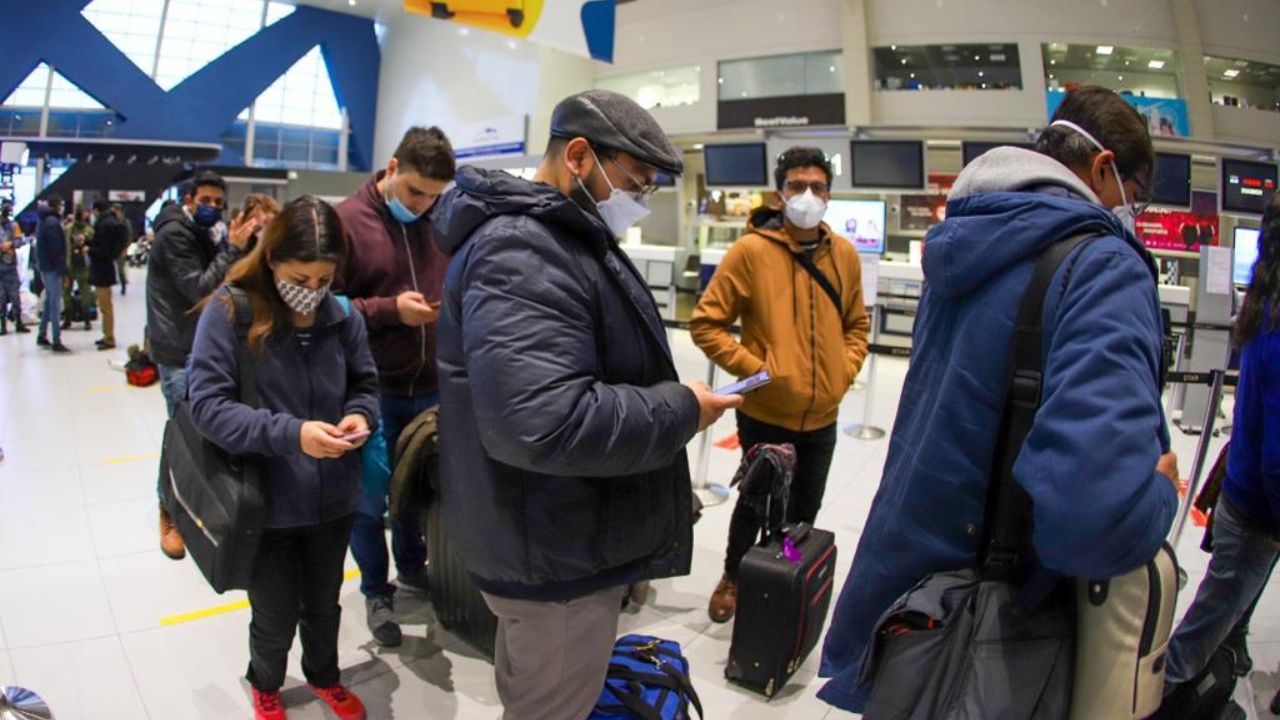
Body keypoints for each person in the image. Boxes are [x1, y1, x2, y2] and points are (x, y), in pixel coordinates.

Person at [817, 85, 1180, 712]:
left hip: (909, 602)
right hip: (998, 634)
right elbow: (1091, 525)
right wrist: (1161, 492)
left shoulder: (967, 240)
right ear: (1102, 170)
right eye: (1136, 195)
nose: (1135, 213)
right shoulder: (1102, 268)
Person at [432, 89, 741, 720]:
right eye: (635, 182)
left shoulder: (565, 239)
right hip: (551, 552)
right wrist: (682, 407)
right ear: (578, 155)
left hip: (560, 532)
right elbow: (546, 424)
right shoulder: (523, 250)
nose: (641, 201)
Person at [187, 196, 379, 720]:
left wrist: (362, 417)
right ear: (271, 257)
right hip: (266, 503)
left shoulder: (341, 317)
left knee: (324, 604)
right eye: (302, 277)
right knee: (273, 612)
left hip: (334, 498)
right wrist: (291, 434)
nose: (313, 290)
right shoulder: (233, 310)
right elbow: (208, 408)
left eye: (325, 278)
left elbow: (365, 385)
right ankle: (265, 682)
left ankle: (325, 677)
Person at [691, 146, 870, 623]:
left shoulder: (845, 256)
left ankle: (784, 578)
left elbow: (857, 325)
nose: (807, 195)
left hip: (823, 416)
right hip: (766, 414)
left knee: (804, 512)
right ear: (779, 192)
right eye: (797, 186)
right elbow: (706, 323)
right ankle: (733, 575)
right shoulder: (751, 252)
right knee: (754, 503)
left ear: (829, 194)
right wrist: (760, 373)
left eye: (817, 186)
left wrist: (842, 371)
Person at [333, 126, 455, 648]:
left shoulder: (438, 222)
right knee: (370, 497)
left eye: (434, 196)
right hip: (372, 391)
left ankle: (412, 564)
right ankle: (375, 588)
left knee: (415, 491)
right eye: (415, 192)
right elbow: (324, 305)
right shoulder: (345, 222)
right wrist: (388, 311)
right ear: (390, 167)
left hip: (430, 388)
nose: (424, 204)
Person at [1160, 190, 1280, 695]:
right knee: (1199, 635)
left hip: (1244, 495)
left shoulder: (1265, 301)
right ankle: (1158, 702)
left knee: (1225, 609)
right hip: (1260, 510)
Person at [147, 171, 263, 559]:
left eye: (218, 202)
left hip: (204, 347)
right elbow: (198, 287)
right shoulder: (175, 235)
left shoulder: (203, 234)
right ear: (189, 198)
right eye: (206, 200)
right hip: (179, 351)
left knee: (208, 438)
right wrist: (232, 247)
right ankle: (169, 510)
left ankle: (198, 508)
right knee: (183, 438)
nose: (211, 207)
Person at [89, 200, 129, 350]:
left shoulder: (105, 224)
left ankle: (109, 338)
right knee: (104, 306)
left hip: (102, 270)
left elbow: (103, 250)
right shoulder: (110, 222)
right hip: (105, 268)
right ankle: (106, 334)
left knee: (106, 306)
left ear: (97, 210)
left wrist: (89, 250)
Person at [35, 195, 71, 353]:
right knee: (55, 303)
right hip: (52, 268)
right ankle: (57, 341)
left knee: (50, 300)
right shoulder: (52, 223)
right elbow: (56, 249)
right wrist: (63, 271)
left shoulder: (44, 220)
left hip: (44, 266)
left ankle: (42, 334)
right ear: (57, 206)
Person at [0, 203, 30, 336]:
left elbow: (20, 241)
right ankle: (3, 325)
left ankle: (19, 322)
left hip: (11, 266)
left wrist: (11, 244)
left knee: (15, 296)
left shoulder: (14, 226)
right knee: (1, 297)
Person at [63, 206, 94, 332]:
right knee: (82, 292)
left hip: (75, 265)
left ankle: (70, 318)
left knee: (69, 293)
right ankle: (83, 319)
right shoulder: (87, 230)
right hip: (76, 265)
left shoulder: (69, 229)